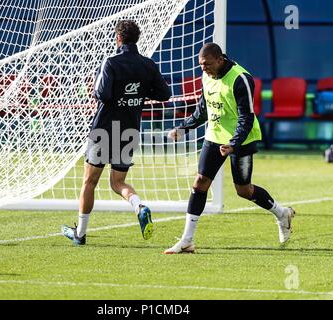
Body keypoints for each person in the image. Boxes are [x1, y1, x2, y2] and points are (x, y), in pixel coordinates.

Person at [164, 43, 295, 254]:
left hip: (240, 140)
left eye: (206, 64)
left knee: (243, 190)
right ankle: (187, 241)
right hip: (214, 137)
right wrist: (183, 128)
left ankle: (281, 214)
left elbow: (247, 116)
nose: (203, 69)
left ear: (219, 60)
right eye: (200, 65)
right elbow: (203, 110)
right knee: (200, 183)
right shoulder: (207, 77)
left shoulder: (241, 78)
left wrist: (234, 144)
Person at [62, 20, 171, 245]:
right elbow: (164, 94)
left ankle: (80, 234)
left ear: (118, 38)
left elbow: (102, 94)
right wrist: (140, 92)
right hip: (129, 128)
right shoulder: (148, 65)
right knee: (117, 182)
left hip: (104, 127)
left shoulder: (111, 62)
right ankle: (139, 206)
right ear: (137, 39)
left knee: (89, 182)